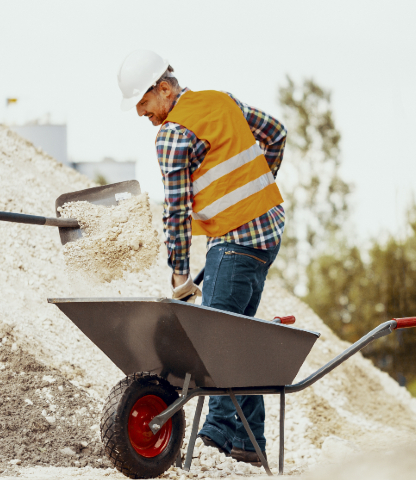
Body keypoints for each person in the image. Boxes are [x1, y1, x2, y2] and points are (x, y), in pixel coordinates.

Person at [117, 50, 287, 467]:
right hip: (268, 232)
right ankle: (251, 443)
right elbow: (277, 134)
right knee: (238, 334)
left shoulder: (173, 134)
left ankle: (213, 441)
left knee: (215, 341)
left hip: (235, 240)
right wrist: (258, 186)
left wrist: (179, 275)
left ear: (163, 88)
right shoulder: (221, 100)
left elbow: (175, 210)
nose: (142, 114)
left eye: (143, 103)